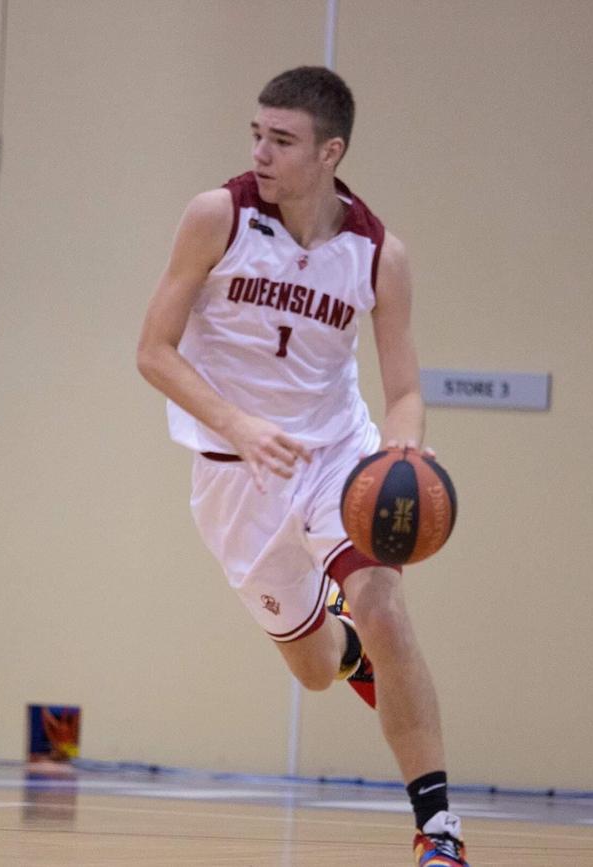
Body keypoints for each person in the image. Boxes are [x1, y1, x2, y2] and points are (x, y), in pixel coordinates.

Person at [137, 66, 469, 867]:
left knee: (385, 609)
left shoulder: (378, 252)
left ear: (330, 152)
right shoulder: (216, 216)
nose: (260, 151)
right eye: (256, 133)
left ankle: (440, 829)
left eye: (281, 140)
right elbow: (153, 351)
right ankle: (345, 647)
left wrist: (401, 447)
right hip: (234, 472)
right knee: (318, 668)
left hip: (334, 461)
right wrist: (238, 423)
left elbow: (404, 389)